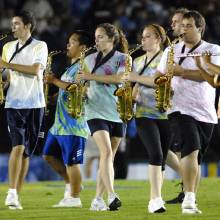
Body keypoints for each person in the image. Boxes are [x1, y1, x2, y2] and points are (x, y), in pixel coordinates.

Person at [157, 10, 220, 214]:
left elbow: (211, 77)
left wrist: (182, 72)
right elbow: (159, 75)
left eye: (189, 26)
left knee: (197, 157)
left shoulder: (213, 50)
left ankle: (190, 197)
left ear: (200, 28)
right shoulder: (171, 50)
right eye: (182, 26)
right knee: (191, 148)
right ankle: (189, 200)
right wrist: (158, 85)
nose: (183, 30)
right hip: (178, 109)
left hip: (205, 112)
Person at [76, 23, 128, 211]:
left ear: (112, 39)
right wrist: (81, 90)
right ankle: (112, 195)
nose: (96, 40)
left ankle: (97, 199)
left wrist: (90, 77)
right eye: (96, 37)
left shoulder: (124, 58)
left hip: (117, 111)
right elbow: (83, 84)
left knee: (108, 158)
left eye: (100, 37)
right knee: (105, 153)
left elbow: (120, 78)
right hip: (94, 111)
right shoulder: (88, 59)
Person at [0, 10, 48, 210]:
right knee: (17, 147)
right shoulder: (8, 46)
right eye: (12, 23)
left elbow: (36, 70)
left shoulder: (40, 46)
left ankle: (16, 196)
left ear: (28, 26)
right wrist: (3, 82)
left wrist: (6, 64)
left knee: (27, 153)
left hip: (35, 104)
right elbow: (8, 76)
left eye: (17, 23)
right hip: (14, 104)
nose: (13, 27)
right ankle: (11, 192)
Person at [42, 30, 93, 208]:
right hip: (59, 124)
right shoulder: (70, 67)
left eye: (72, 42)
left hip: (74, 124)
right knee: (48, 155)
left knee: (72, 162)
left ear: (83, 47)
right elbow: (66, 90)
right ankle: (71, 184)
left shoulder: (84, 66)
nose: (67, 45)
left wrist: (54, 81)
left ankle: (75, 198)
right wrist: (53, 98)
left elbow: (78, 90)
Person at [125, 24, 170, 213]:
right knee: (156, 154)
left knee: (164, 157)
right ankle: (155, 199)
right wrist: (129, 97)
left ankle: (158, 197)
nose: (143, 40)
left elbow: (159, 82)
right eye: (142, 37)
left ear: (158, 39)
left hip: (166, 113)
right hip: (144, 113)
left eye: (148, 37)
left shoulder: (167, 58)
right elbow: (137, 88)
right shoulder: (137, 61)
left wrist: (135, 77)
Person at [165, 7, 189, 205]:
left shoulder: (197, 48)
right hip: (172, 105)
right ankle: (187, 186)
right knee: (170, 149)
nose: (172, 24)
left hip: (189, 106)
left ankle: (187, 189)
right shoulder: (171, 48)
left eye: (176, 21)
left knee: (184, 150)